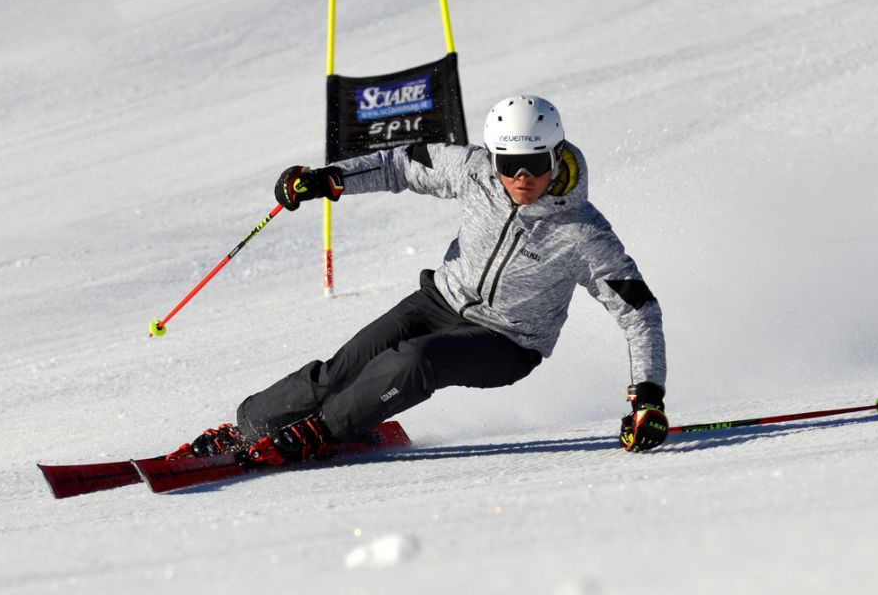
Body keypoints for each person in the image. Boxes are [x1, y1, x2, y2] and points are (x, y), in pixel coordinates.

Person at [167, 95, 668, 466]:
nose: (522, 177)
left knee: (416, 360)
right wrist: (328, 178)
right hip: (439, 301)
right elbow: (400, 164)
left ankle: (322, 431)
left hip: (508, 342)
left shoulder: (583, 232)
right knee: (343, 368)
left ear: (556, 155)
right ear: (492, 157)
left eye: (535, 163)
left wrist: (647, 398)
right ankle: (247, 429)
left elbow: (638, 312)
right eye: (509, 164)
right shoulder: (474, 172)